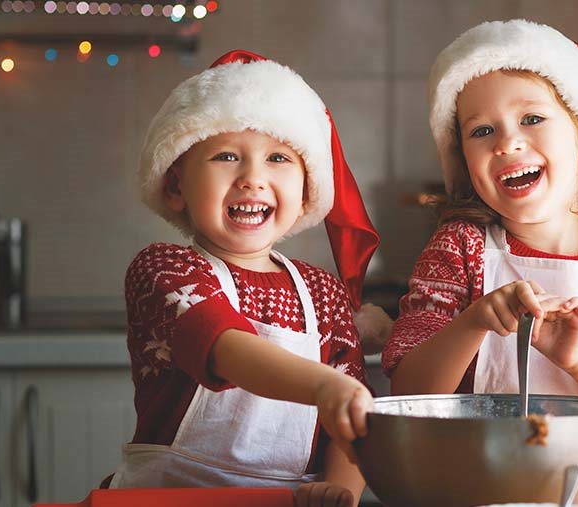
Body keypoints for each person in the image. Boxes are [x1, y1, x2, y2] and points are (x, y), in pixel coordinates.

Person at [383, 19, 578, 442]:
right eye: (482, 130)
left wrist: (576, 359)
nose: (507, 143)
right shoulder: (459, 249)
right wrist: (474, 322)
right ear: (463, 161)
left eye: (531, 118)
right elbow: (408, 393)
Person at [109, 50, 381, 507]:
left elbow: (348, 423)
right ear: (176, 187)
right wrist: (324, 384)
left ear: (307, 188)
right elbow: (228, 349)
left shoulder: (324, 293)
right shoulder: (164, 269)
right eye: (227, 156)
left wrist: (337, 491)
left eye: (278, 158)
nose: (253, 178)